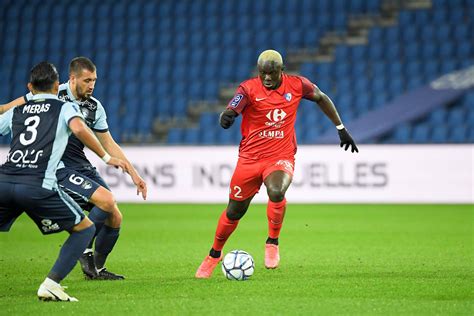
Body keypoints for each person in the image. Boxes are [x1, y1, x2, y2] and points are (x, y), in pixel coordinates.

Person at [195, 50, 359, 278]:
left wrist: (341, 129)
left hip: (280, 155)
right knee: (234, 212)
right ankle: (214, 254)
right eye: (263, 73)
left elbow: (321, 97)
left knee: (276, 190)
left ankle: (272, 241)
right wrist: (228, 114)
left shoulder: (298, 85)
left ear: (281, 70)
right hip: (250, 159)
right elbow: (236, 104)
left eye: (272, 73)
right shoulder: (248, 88)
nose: (267, 78)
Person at [3, 57, 148, 280]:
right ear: (72, 79)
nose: (91, 85)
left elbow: (108, 142)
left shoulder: (94, 107)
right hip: (57, 166)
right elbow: (8, 109)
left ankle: (95, 269)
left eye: (94, 80)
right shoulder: (52, 94)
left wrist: (133, 173)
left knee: (115, 216)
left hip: (80, 164)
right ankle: (84, 248)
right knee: (107, 201)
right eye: (87, 80)